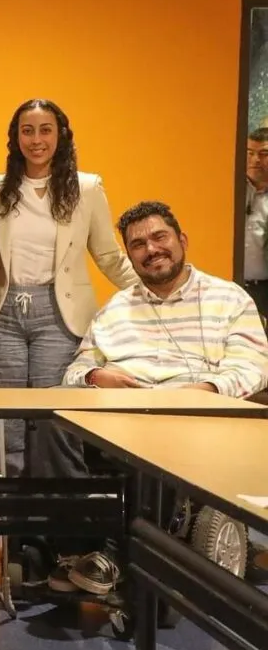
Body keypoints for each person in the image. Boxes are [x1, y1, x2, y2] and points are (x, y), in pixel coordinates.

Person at [53, 201, 268, 595]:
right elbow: (75, 370)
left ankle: (113, 553)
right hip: (121, 416)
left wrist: (202, 392)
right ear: (130, 256)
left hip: (194, 419)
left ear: (181, 240)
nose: (151, 249)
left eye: (159, 237)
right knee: (52, 416)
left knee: (156, 440)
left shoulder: (229, 299)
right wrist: (97, 375)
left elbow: (253, 368)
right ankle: (73, 544)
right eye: (138, 244)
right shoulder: (115, 309)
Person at [0, 99, 138, 478]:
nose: (36, 140)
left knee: (57, 419)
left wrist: (152, 291)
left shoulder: (87, 188)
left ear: (61, 135)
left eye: (45, 130)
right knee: (8, 422)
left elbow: (109, 256)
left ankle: (61, 522)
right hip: (4, 312)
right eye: (27, 131)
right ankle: (12, 529)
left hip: (60, 314)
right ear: (15, 138)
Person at [243, 127, 268, 319]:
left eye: (264, 154)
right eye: (250, 153)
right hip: (233, 283)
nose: (255, 160)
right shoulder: (228, 186)